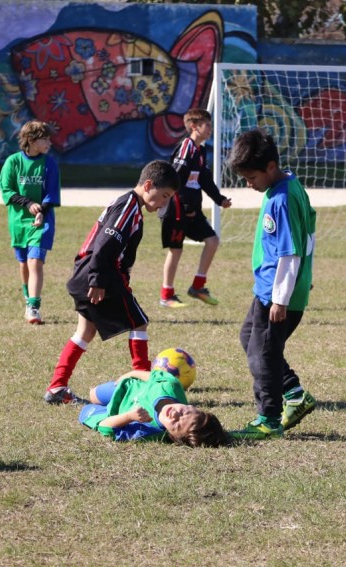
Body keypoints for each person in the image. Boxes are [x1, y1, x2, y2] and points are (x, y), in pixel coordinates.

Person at [44, 160, 180, 404]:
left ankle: (57, 388)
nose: (163, 203)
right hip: (97, 274)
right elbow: (105, 245)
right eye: (164, 196)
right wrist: (97, 279)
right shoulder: (128, 206)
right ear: (148, 185)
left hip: (87, 273)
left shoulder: (132, 207)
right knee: (139, 323)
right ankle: (144, 386)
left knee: (84, 331)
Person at [227, 128, 317, 439]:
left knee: (263, 352)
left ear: (270, 167)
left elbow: (291, 252)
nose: (249, 185)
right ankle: (294, 393)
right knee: (250, 338)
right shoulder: (288, 186)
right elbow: (310, 235)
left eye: (251, 178)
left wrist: (281, 297)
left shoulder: (282, 198)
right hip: (269, 289)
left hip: (277, 295)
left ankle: (269, 418)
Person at [159, 108, 233, 308]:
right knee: (176, 250)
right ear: (194, 126)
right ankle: (166, 295)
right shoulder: (186, 147)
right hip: (176, 208)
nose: (210, 129)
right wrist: (184, 205)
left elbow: (205, 179)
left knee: (212, 240)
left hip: (191, 208)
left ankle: (197, 287)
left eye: (210, 125)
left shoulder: (201, 151)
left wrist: (220, 199)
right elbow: (176, 178)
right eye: (206, 125)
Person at [78, 361, 232, 447]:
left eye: (176, 425)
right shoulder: (172, 386)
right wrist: (131, 374)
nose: (175, 414)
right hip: (125, 387)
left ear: (172, 436)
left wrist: (129, 416)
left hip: (114, 413)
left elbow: (106, 427)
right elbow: (154, 377)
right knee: (92, 394)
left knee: (85, 411)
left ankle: (104, 407)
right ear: (191, 406)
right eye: (183, 413)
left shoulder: (148, 430)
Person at [0, 120, 61, 324]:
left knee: (36, 262)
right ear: (31, 140)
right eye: (45, 139)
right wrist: (27, 203)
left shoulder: (49, 163)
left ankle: (33, 306)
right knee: (24, 263)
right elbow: (6, 190)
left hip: (41, 221)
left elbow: (51, 193)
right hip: (18, 222)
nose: (49, 143)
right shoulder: (13, 162)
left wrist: (41, 210)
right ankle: (28, 298)